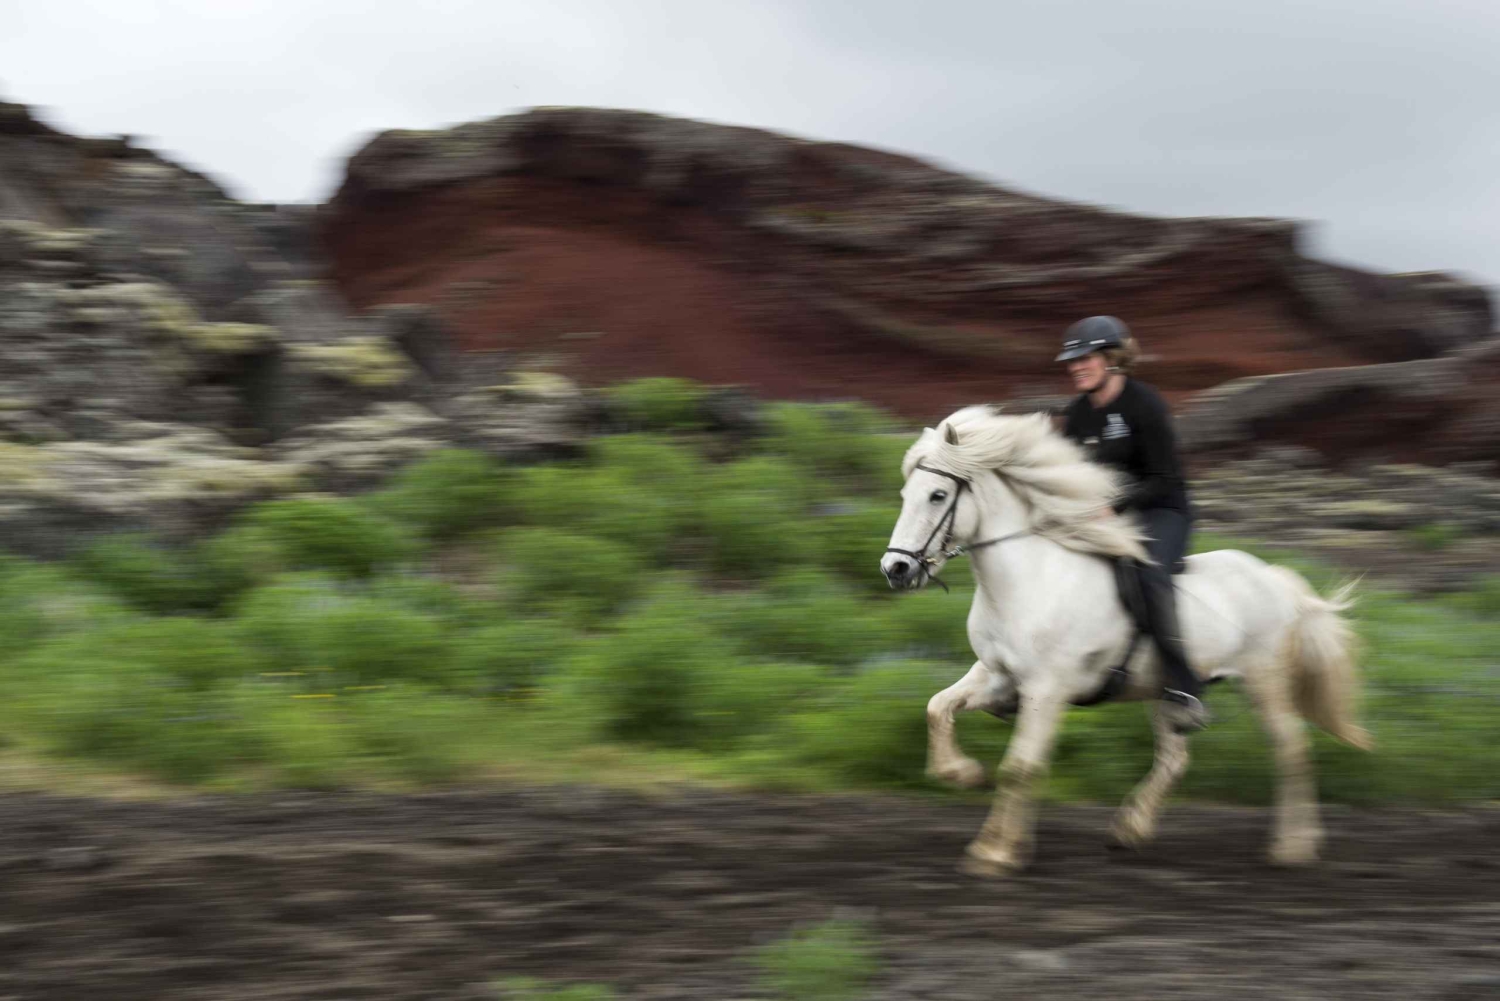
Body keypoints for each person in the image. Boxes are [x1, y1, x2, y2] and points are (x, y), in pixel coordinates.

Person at [1055, 315, 1210, 733]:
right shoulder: (1076, 416)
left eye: (1084, 359)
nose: (1075, 367)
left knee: (1149, 574)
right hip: (1108, 516)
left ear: (1112, 359)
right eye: (1071, 361)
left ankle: (1186, 686)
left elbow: (1165, 479)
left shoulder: (1146, 405)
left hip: (1163, 511)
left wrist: (1116, 506)